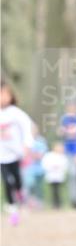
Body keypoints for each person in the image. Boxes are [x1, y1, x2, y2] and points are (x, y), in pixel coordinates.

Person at [0, 81, 33, 225]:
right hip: (2, 156)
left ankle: (21, 198)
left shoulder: (15, 113)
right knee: (7, 181)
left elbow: (27, 128)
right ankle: (12, 209)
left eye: (5, 94)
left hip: (16, 154)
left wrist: (27, 146)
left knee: (17, 180)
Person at [41, 141, 69, 209]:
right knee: (53, 190)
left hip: (59, 175)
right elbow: (45, 164)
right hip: (51, 175)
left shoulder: (62, 156)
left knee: (59, 190)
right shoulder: (49, 155)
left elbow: (65, 165)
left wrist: (58, 167)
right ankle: (54, 204)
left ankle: (59, 203)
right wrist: (52, 167)